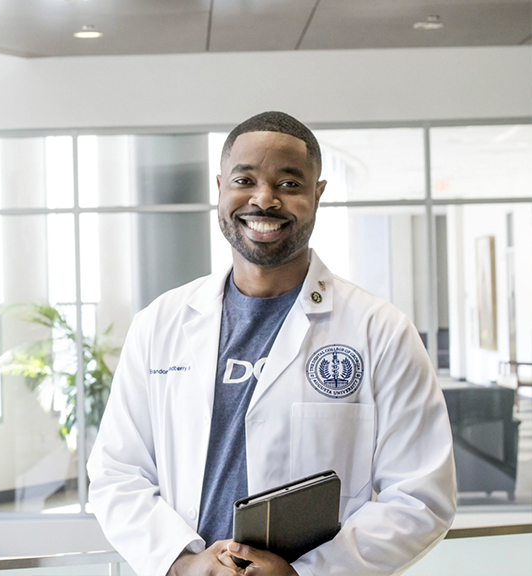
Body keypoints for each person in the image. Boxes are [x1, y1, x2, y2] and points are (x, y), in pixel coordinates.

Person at [87, 111, 456, 576]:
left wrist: (304, 574)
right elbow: (117, 473)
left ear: (317, 194)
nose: (264, 199)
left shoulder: (380, 331)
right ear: (220, 187)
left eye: (288, 183)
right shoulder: (160, 324)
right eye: (245, 179)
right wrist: (183, 563)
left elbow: (421, 495)